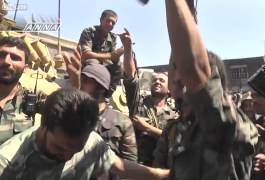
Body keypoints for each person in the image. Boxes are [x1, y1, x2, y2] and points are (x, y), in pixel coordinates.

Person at [164, 0, 258, 179]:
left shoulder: (226, 122)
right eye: (176, 85)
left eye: (186, 85)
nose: (179, 93)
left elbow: (192, 66)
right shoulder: (185, 129)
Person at [0, 88, 169, 180]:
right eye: (60, 147)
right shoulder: (7, 162)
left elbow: (119, 166)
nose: (67, 156)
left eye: (76, 150)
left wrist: (165, 175)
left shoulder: (92, 143)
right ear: (43, 127)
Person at [65, 55, 138, 180]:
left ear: (101, 87)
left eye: (87, 80)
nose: (81, 83)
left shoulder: (122, 122)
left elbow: (129, 165)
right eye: (82, 78)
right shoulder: (72, 114)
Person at [121, 29, 177, 166]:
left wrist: (147, 128)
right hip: (139, 167)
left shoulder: (175, 112)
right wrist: (128, 48)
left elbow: (174, 139)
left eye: (162, 81)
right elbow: (131, 78)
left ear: (169, 89)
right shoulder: (139, 103)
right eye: (155, 80)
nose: (157, 82)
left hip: (164, 168)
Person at [0, 36, 45, 145]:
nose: (6, 61)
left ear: (26, 67)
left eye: (15, 58)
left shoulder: (32, 98)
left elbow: (70, 116)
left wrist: (77, 82)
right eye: (1, 55)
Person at [78, 9, 124, 94]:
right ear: (101, 20)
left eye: (113, 23)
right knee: (94, 64)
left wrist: (123, 49)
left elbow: (113, 57)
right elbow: (86, 54)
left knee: (118, 66)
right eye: (108, 21)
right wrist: (110, 55)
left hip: (103, 63)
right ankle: (86, 92)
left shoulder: (113, 37)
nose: (110, 24)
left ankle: (106, 95)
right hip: (86, 62)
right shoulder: (89, 32)